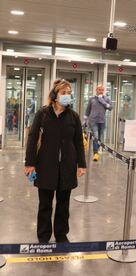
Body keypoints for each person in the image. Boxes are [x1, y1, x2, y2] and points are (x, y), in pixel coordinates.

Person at [25, 79, 86, 243]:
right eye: (63, 93)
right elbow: (32, 138)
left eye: (69, 93)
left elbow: (78, 141)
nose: (67, 96)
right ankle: (43, 236)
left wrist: (82, 164)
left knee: (63, 204)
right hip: (45, 165)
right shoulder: (43, 113)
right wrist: (29, 163)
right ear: (54, 95)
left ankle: (61, 234)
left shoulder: (73, 116)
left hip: (67, 166)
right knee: (45, 204)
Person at [84, 85, 112, 161]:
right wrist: (85, 119)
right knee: (95, 136)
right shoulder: (92, 99)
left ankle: (98, 149)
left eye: (102, 90)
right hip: (93, 121)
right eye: (99, 89)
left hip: (102, 121)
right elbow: (88, 109)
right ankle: (95, 153)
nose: (101, 91)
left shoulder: (106, 99)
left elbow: (110, 108)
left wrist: (103, 102)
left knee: (100, 137)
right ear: (96, 90)